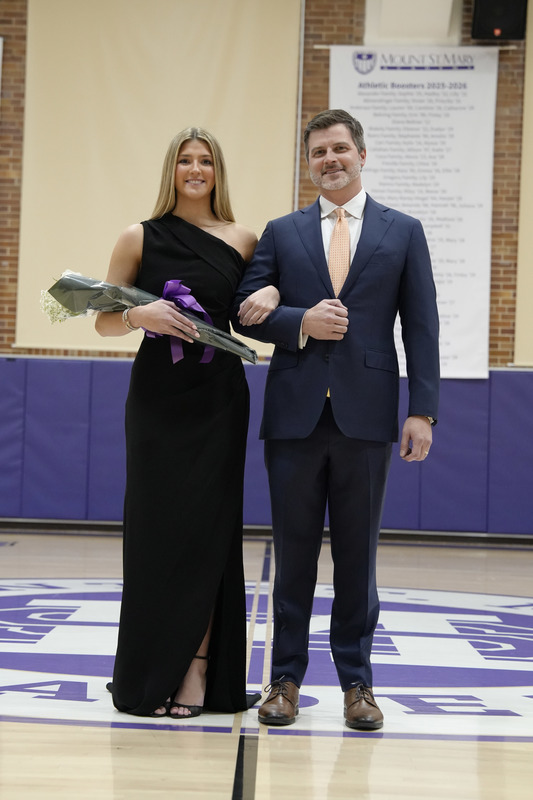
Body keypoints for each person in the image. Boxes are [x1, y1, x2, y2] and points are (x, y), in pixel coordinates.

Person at [232, 109, 440, 730]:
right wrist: (296, 318)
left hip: (368, 417)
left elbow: (422, 326)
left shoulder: (403, 231)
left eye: (340, 148)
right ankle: (285, 681)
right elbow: (248, 310)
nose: (331, 159)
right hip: (294, 416)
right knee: (292, 558)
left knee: (358, 559)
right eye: (319, 151)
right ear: (309, 162)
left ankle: (358, 684)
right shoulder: (281, 230)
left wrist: (422, 410)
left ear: (362, 154)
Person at [95, 127, 277, 718]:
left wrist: (272, 289)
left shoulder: (245, 239)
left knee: (207, 535)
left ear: (218, 172)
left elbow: (261, 310)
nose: (195, 170)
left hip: (218, 401)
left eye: (205, 161)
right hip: (157, 403)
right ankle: (150, 671)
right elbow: (100, 322)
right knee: (154, 533)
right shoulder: (137, 237)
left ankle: (197, 673)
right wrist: (135, 313)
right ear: (171, 171)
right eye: (184, 161)